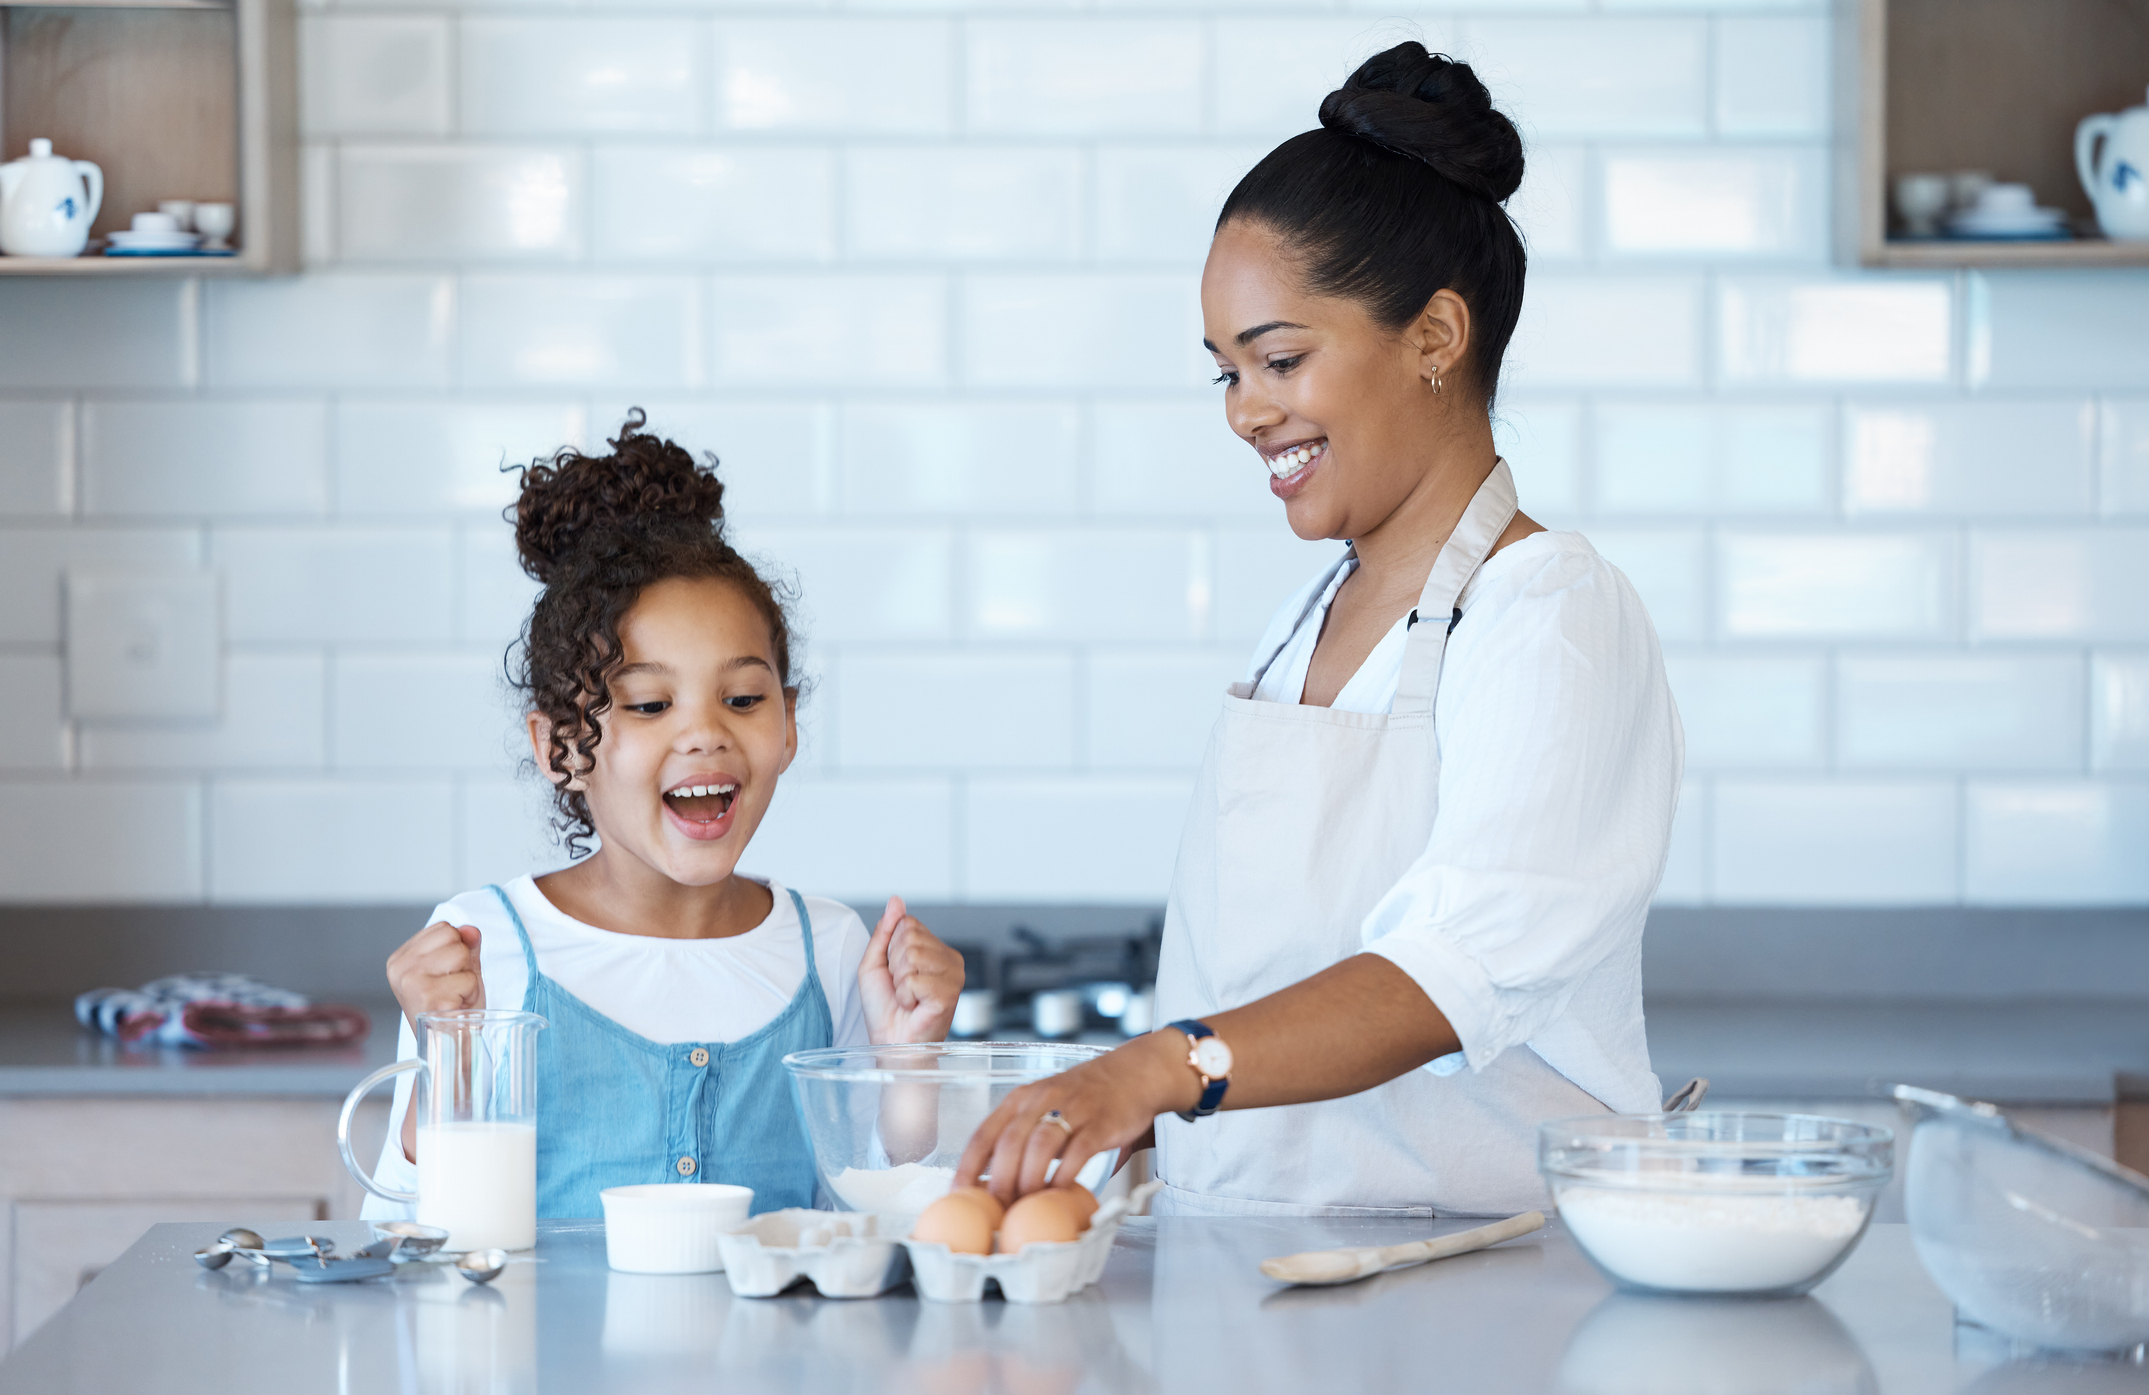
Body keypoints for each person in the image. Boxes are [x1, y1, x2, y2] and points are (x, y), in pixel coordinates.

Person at [957, 45, 1683, 1218]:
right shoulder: (1307, 623)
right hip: (1267, 1272)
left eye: (1280, 359)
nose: (1248, 413)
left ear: (1436, 338)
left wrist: (1155, 1067)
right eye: (1226, 375)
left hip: (1475, 1289)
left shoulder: (1548, 617)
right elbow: (1254, 977)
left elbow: (1448, 978)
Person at [364, 412, 964, 1220]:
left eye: (743, 698)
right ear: (558, 747)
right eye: (649, 702)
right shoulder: (485, 948)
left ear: (787, 725)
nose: (704, 732)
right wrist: (452, 1058)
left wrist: (908, 1063)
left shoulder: (830, 951)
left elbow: (886, 1221)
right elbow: (403, 1237)